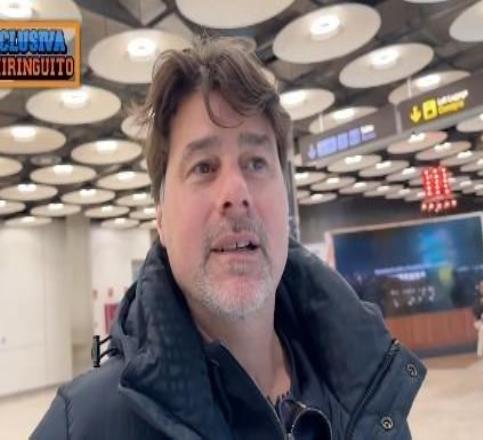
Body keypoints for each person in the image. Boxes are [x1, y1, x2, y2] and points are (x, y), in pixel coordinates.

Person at [32, 38, 426, 440]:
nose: (236, 194)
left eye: (256, 163)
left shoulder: (367, 395)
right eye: (203, 167)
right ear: (161, 217)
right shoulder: (82, 426)